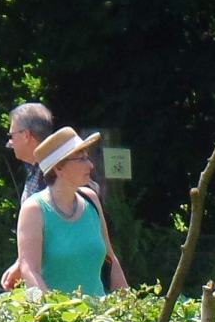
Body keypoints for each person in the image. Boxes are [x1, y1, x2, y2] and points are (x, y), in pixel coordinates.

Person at [15, 126, 129, 296]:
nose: (90, 165)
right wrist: (54, 312)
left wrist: (130, 307)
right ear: (58, 168)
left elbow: (110, 258)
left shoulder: (91, 199)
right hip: (59, 319)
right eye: (81, 159)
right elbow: (30, 271)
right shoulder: (34, 209)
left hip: (100, 319)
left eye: (87, 158)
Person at [1, 102, 56, 290]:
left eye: (11, 135)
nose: (9, 142)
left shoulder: (54, 172)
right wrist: (21, 262)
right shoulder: (35, 170)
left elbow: (52, 230)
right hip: (38, 274)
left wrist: (23, 264)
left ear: (26, 135)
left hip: (53, 282)